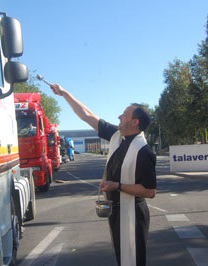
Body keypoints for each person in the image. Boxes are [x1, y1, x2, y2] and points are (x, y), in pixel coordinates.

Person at [50, 84, 156, 266]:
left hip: (133, 213)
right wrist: (65, 94)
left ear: (135, 122)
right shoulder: (117, 135)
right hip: (117, 211)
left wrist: (117, 186)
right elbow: (86, 115)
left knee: (133, 260)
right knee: (124, 259)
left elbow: (149, 191)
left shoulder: (144, 152)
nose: (119, 117)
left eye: (124, 114)